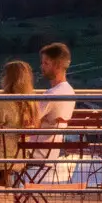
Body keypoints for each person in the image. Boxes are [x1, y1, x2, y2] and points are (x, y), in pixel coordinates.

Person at [0, 60, 39, 186]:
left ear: (8, 78)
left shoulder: (4, 101)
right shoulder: (32, 102)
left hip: (1, 158)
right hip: (20, 158)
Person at [32, 42, 77, 183]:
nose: (42, 67)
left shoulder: (51, 95)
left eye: (46, 63)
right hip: (51, 152)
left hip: (34, 153)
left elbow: (27, 121)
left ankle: (0, 198)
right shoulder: (70, 91)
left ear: (57, 65)